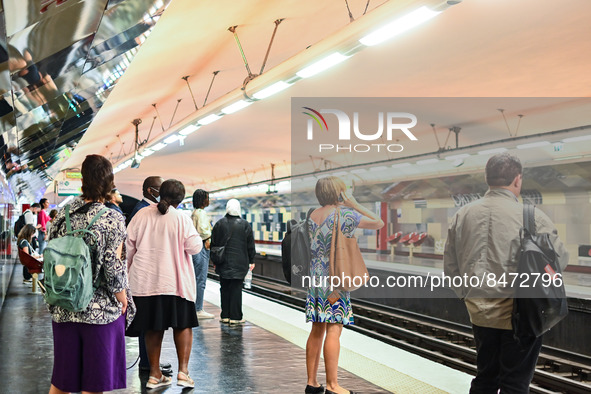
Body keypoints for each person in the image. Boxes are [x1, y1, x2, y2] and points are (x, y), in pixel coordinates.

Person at [443, 153, 568, 394]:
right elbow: (560, 261)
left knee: (485, 377)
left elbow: (450, 267)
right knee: (515, 384)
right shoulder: (534, 217)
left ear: (486, 178)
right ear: (518, 179)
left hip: (479, 313)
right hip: (521, 316)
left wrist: (467, 295)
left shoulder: (462, 215)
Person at [47, 154, 135, 394]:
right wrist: (122, 297)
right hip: (100, 312)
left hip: (64, 306)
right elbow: (112, 265)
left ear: (82, 180)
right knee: (93, 384)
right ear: (109, 182)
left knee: (61, 381)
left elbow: (52, 256)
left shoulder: (62, 217)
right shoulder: (111, 218)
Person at [304, 176, 384, 394]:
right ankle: (333, 385)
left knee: (316, 328)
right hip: (335, 281)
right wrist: (353, 203)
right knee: (334, 328)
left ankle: (312, 383)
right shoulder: (345, 215)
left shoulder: (312, 215)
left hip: (315, 279)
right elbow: (378, 222)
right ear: (338, 193)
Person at [126, 179, 202, 389]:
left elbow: (128, 249)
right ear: (181, 200)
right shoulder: (182, 218)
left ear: (159, 194)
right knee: (183, 325)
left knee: (152, 327)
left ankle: (154, 375)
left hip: (145, 282)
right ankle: (183, 373)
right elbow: (195, 247)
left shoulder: (141, 215)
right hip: (176, 283)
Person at [125, 175, 171, 376]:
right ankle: (147, 363)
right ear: (150, 190)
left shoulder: (144, 210)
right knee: (147, 323)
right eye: (160, 189)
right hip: (143, 276)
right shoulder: (141, 211)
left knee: (149, 322)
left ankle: (151, 361)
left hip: (145, 275)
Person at [211, 199, 256, 324]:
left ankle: (225, 315)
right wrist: (252, 260)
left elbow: (213, 244)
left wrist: (214, 260)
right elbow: (250, 245)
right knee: (236, 289)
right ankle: (235, 317)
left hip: (223, 262)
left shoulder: (219, 224)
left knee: (224, 288)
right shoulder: (245, 224)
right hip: (240, 263)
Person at [191, 189, 214, 319]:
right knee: (201, 279)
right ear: (202, 200)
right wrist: (213, 235)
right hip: (202, 247)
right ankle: (198, 308)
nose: (208, 200)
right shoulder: (201, 213)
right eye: (207, 198)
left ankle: (195, 307)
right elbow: (204, 232)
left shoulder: (194, 213)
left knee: (196, 278)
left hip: (196, 247)